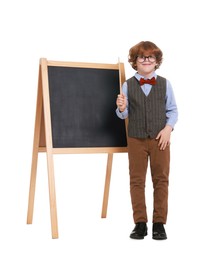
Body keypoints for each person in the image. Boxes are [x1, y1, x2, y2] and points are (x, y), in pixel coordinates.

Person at [116, 41, 178, 240]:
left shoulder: (165, 83)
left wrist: (168, 129)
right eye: (142, 57)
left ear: (156, 61)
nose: (146, 60)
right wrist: (122, 107)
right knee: (136, 181)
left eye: (150, 57)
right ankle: (140, 223)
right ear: (135, 61)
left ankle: (159, 223)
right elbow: (123, 114)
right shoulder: (128, 85)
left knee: (161, 180)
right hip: (136, 139)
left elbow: (173, 111)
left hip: (161, 139)